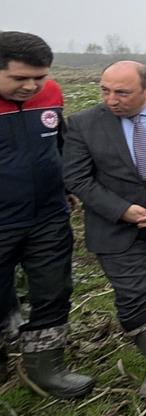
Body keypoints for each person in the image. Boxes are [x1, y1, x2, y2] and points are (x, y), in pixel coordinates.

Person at [63, 61, 146, 397]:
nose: (111, 99)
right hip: (114, 227)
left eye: (122, 92)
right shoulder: (82, 124)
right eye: (105, 90)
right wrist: (123, 211)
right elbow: (77, 177)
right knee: (132, 294)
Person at [0, 31, 95, 398]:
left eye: (38, 78)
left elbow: (60, 145)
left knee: (53, 288)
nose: (31, 86)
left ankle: (47, 365)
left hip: (48, 215)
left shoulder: (51, 94)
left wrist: (68, 186)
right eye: (20, 78)